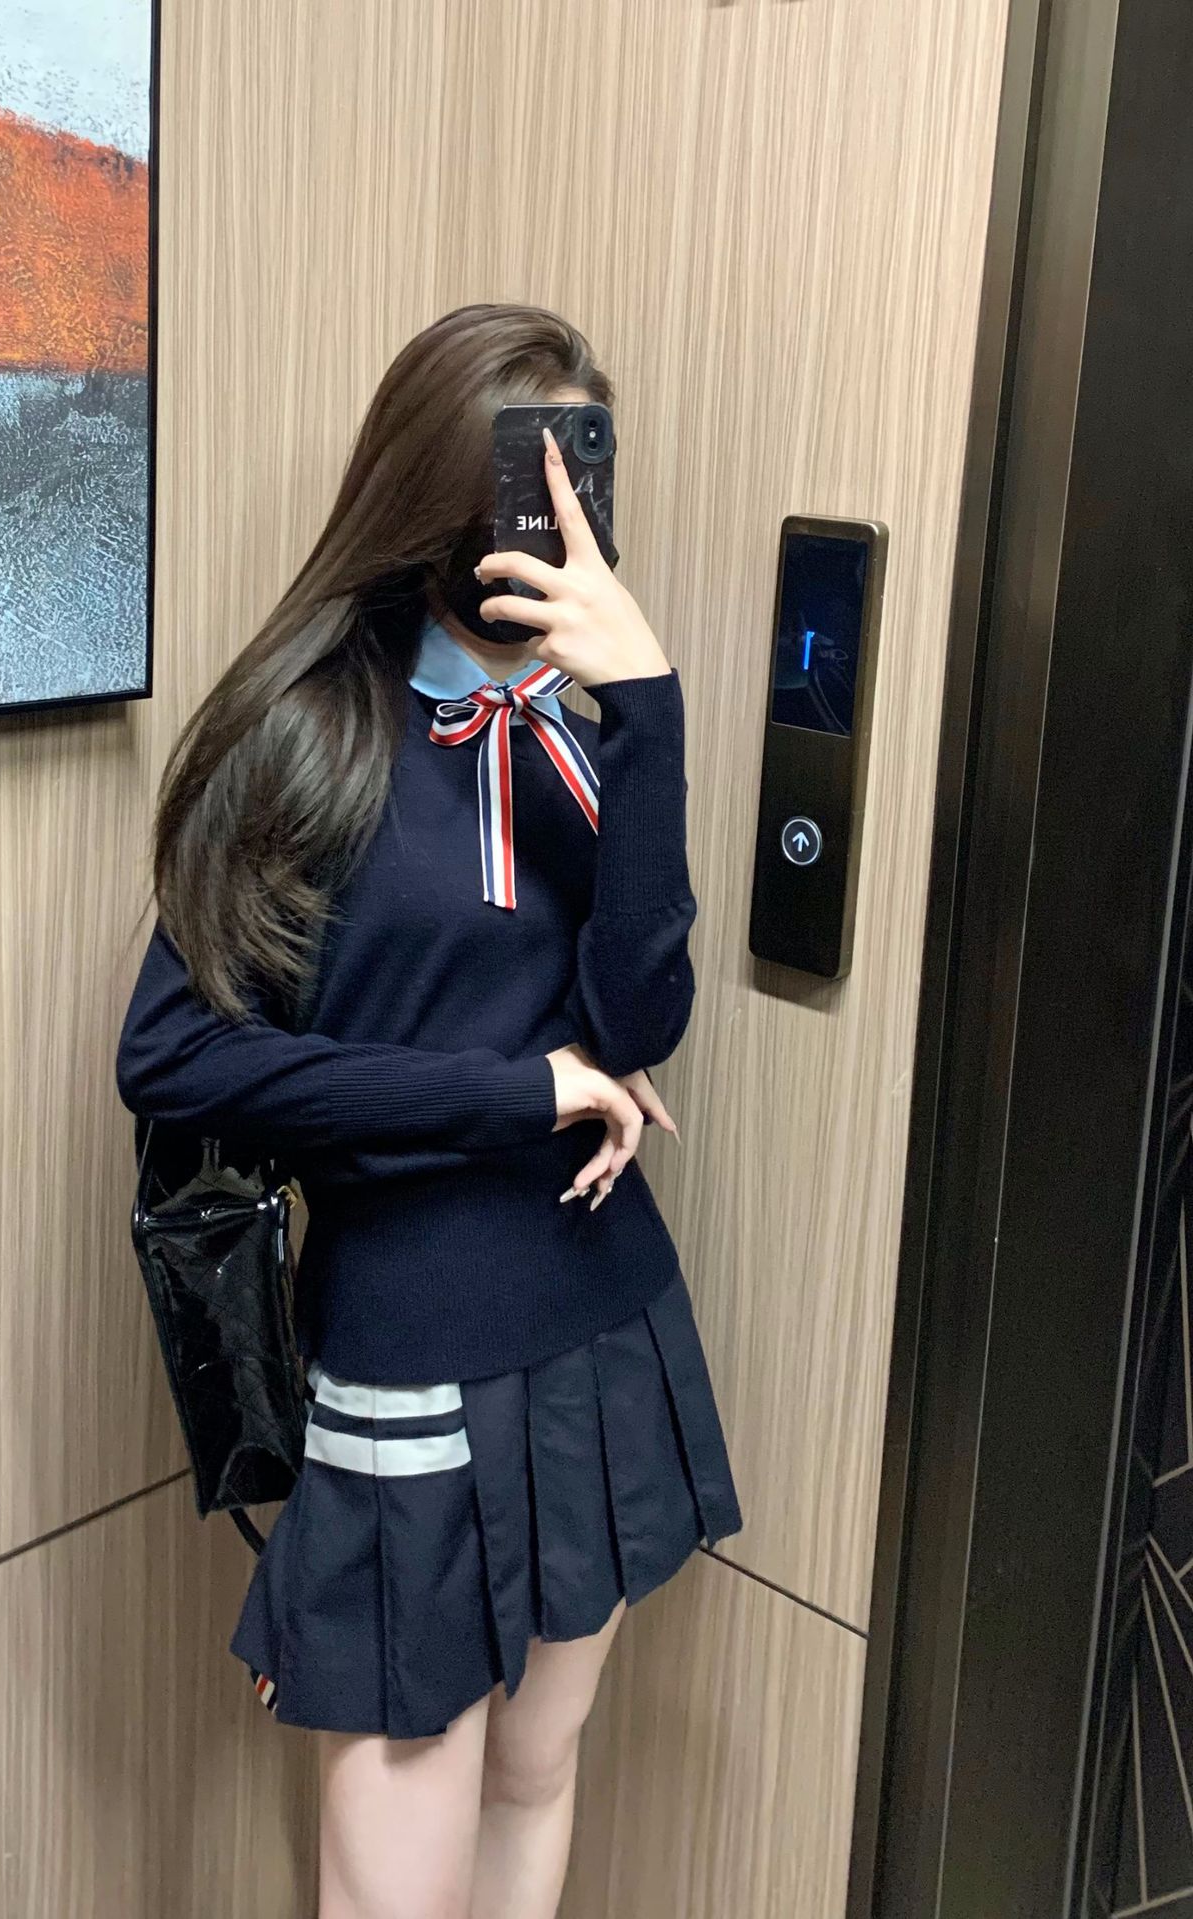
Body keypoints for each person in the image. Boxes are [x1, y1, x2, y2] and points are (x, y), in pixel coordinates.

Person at [116, 303, 742, 1919]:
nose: (559, 516)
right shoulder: (310, 735)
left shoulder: (580, 740)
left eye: (583, 474)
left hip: (603, 1314)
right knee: (395, 1875)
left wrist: (651, 712)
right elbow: (173, 1061)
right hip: (408, 1346)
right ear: (434, 494)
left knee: (539, 1777)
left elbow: (642, 1020)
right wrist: (514, 1094)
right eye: (527, 479)